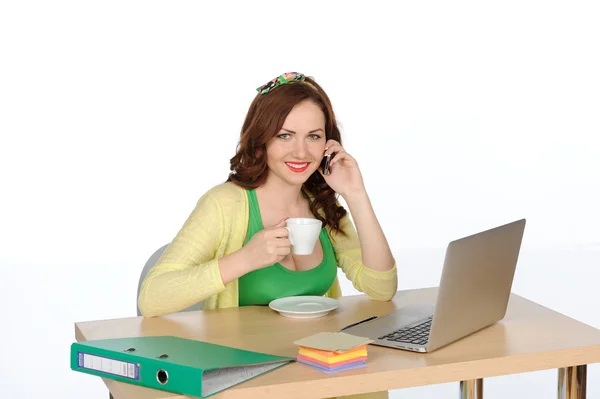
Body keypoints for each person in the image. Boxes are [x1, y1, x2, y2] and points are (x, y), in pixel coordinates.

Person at [138, 72, 397, 398]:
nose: (301, 152)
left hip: (317, 369)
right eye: (285, 135)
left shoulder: (323, 205)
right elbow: (152, 298)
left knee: (371, 388)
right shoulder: (225, 204)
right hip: (247, 376)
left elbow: (381, 287)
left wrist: (355, 194)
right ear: (261, 138)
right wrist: (244, 259)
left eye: (314, 137)